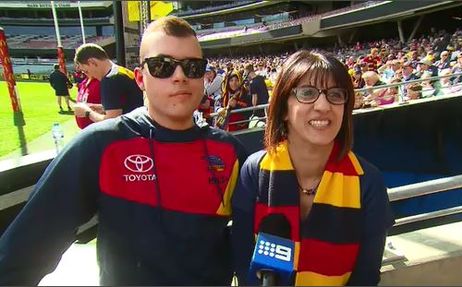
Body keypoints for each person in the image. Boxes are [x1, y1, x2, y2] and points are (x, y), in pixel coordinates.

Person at [0, 16, 247, 285]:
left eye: (193, 67)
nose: (180, 76)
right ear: (140, 78)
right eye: (162, 66)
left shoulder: (230, 152)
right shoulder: (101, 145)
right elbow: (26, 249)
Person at [231, 50, 394, 286]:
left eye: (336, 94)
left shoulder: (367, 182)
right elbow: (243, 261)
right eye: (307, 93)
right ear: (283, 109)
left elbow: (365, 277)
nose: (323, 105)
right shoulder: (254, 172)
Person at [72, 43, 143, 123]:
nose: (90, 76)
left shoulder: (110, 80)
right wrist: (101, 108)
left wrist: (87, 112)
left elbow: (112, 122)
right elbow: (126, 104)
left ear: (92, 62)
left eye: (86, 71)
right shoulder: (120, 71)